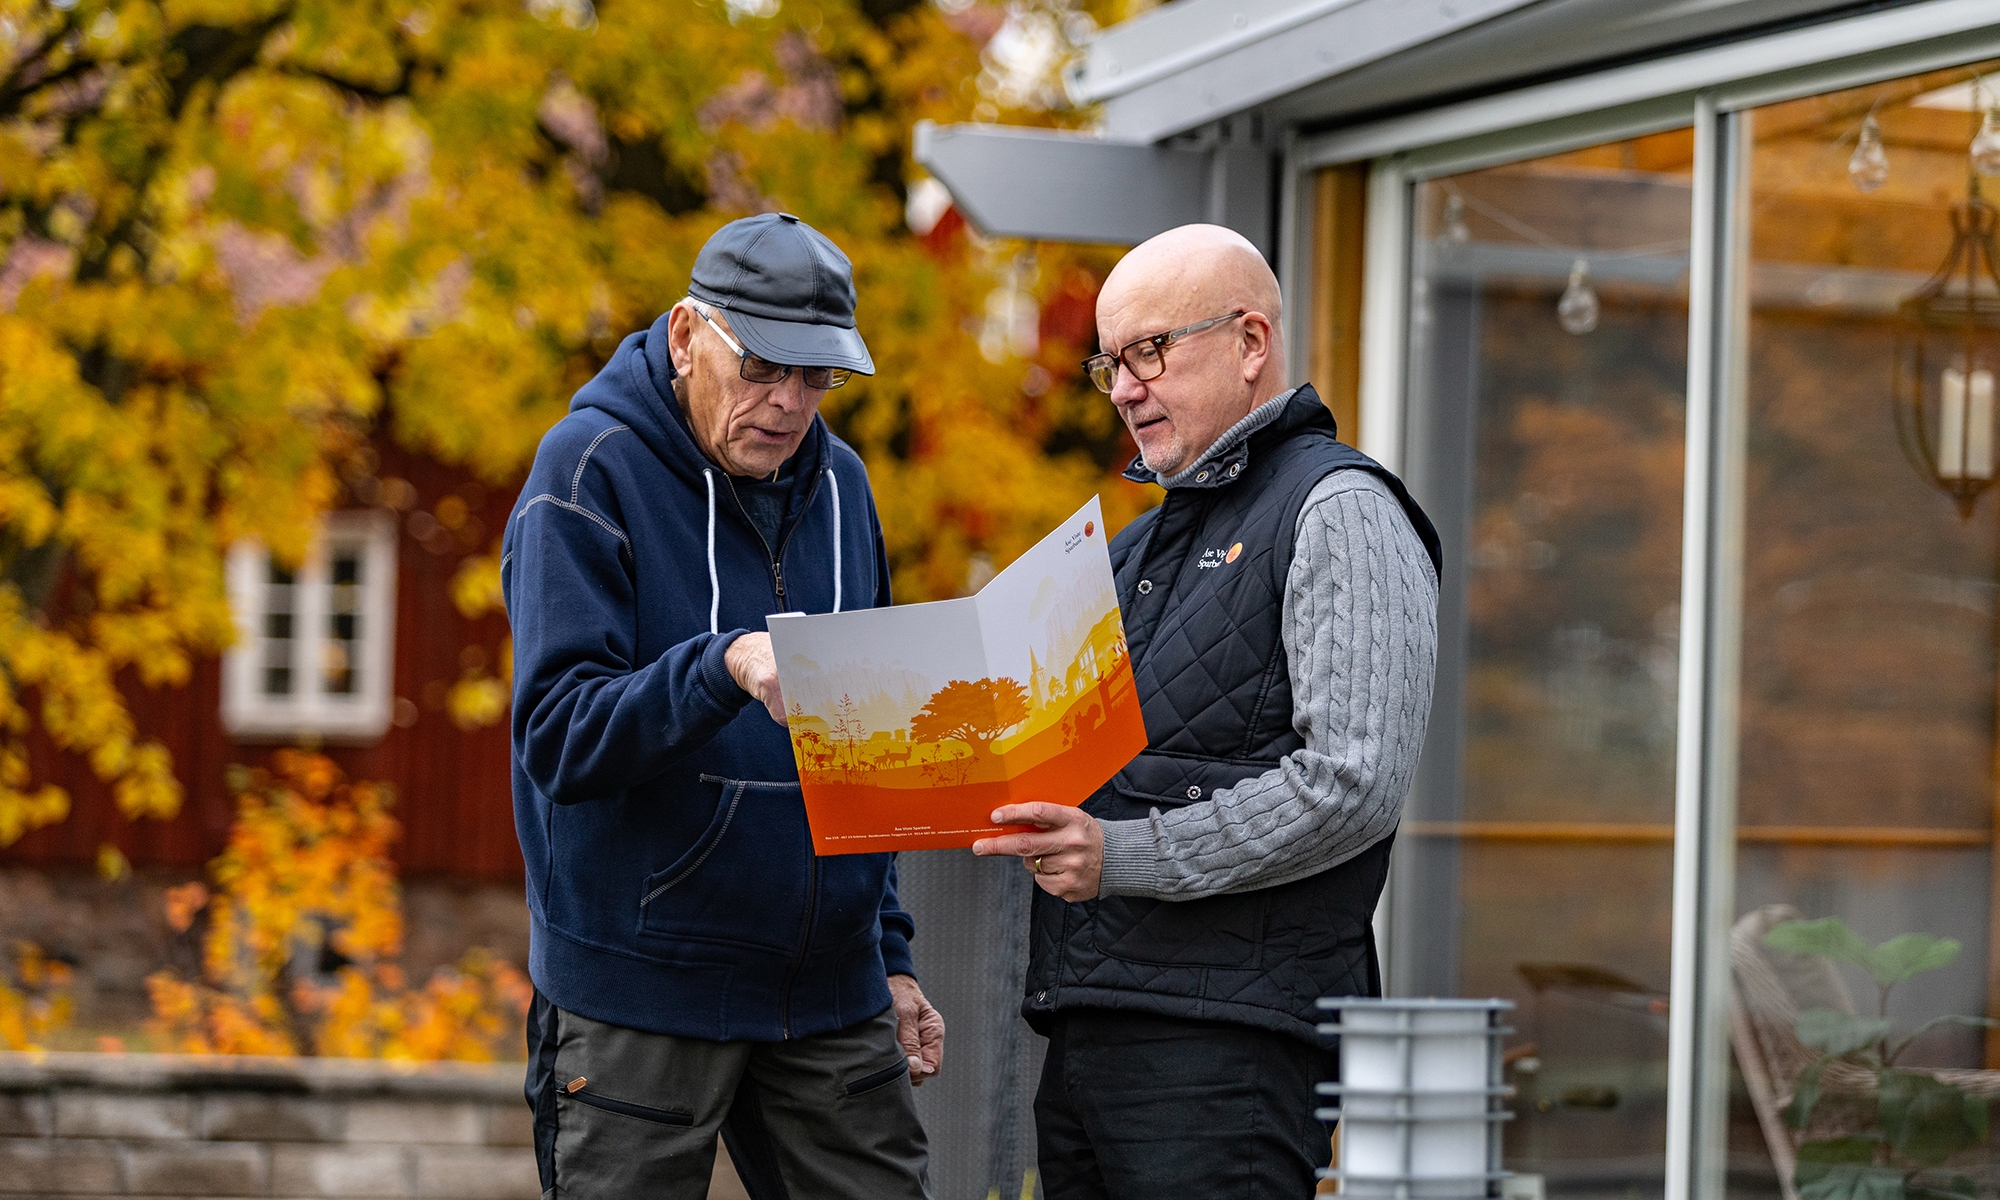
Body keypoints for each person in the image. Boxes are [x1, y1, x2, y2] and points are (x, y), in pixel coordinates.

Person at [973, 224, 1442, 1199]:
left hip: (1226, 1055)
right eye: (1110, 362)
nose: (1124, 389)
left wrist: (1122, 857)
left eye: (1151, 350)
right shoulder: (1127, 553)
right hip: (1084, 1028)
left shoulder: (1339, 508)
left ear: (1249, 342)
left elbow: (1350, 784)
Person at [503, 212, 943, 1199]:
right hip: (640, 993)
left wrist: (892, 961)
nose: (788, 405)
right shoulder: (585, 472)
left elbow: (867, 761)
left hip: (831, 996)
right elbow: (558, 738)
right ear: (685, 334)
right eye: (761, 370)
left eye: (815, 378)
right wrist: (721, 666)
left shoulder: (845, 490)